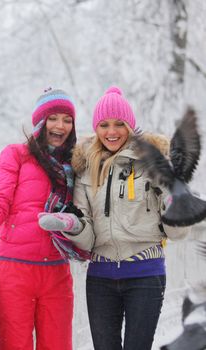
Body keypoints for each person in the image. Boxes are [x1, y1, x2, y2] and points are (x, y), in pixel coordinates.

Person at [38, 86, 191, 350]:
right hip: (100, 278)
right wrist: (71, 225)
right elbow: (88, 240)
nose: (112, 132)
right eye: (104, 125)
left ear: (130, 126)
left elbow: (178, 234)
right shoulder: (86, 170)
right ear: (96, 129)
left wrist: (172, 202)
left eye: (119, 124)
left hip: (145, 275)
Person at [0, 88, 78, 350]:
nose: (60, 125)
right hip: (14, 270)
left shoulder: (75, 164)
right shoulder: (16, 155)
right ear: (40, 123)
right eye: (53, 118)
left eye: (67, 120)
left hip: (57, 270)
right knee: (15, 346)